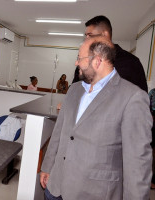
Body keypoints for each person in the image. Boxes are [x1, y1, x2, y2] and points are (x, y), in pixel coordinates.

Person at [40, 37, 152, 200]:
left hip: (93, 192)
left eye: (80, 58)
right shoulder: (74, 89)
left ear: (98, 61)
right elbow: (59, 132)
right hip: (56, 186)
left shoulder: (132, 97)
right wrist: (47, 166)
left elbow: (137, 164)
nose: (76, 63)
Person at [72, 15, 148, 93]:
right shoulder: (84, 61)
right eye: (86, 36)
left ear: (105, 35)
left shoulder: (131, 63)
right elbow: (74, 92)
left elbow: (141, 98)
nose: (86, 39)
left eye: (90, 35)